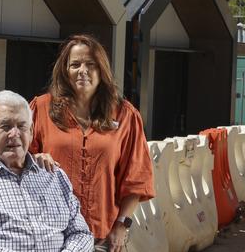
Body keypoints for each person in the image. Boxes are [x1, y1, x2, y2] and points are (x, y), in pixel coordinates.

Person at [29, 34, 155, 252]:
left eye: (91, 64)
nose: (83, 71)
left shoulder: (125, 115)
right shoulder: (40, 109)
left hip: (103, 239)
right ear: (65, 70)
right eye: (75, 64)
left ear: (102, 70)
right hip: (51, 237)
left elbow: (136, 178)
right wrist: (35, 159)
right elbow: (16, 163)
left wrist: (121, 225)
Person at [0, 90, 93, 252]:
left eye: (21, 126)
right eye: (5, 126)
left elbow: (81, 233)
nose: (14, 134)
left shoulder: (54, 176)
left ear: (31, 131)